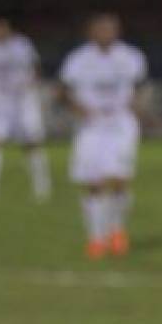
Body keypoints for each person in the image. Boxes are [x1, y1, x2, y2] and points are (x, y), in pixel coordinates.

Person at [58, 13, 147, 259]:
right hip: (91, 126)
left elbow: (139, 87)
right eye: (101, 29)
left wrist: (137, 108)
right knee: (93, 183)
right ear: (91, 31)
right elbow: (61, 91)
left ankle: (117, 230)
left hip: (121, 124)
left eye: (111, 29)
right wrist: (78, 108)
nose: (107, 33)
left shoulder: (131, 57)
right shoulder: (78, 59)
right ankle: (96, 238)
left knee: (119, 180)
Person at [0, 18, 51, 203]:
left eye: (1, 29)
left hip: (24, 99)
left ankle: (42, 189)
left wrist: (33, 86)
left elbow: (35, 67)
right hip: (0, 102)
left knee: (32, 143)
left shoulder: (22, 45)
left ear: (8, 29)